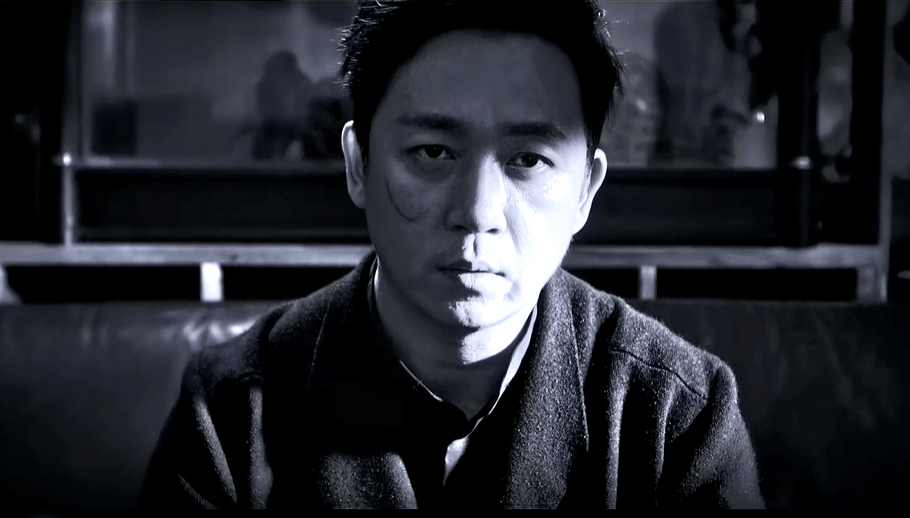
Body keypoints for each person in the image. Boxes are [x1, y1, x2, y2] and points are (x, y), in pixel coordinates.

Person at [140, 1, 765, 508]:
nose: (478, 211)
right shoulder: (228, 417)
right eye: (433, 152)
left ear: (585, 191)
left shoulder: (678, 417)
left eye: (528, 160)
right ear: (358, 165)